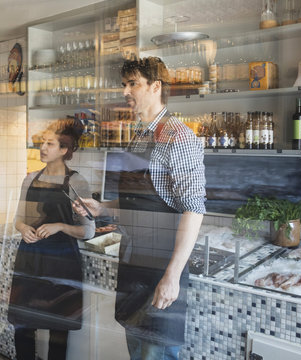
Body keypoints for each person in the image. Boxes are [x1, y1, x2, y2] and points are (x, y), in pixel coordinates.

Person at [74, 57, 206, 360]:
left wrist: (171, 277)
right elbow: (137, 203)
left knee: (155, 353)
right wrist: (101, 208)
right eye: (124, 84)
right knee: (135, 350)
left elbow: (194, 210)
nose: (125, 91)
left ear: (155, 86)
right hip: (133, 263)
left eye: (133, 83)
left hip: (161, 266)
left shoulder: (179, 137)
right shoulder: (139, 135)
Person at [11, 119, 95, 360]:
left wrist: (59, 226)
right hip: (30, 260)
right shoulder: (29, 179)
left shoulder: (76, 182)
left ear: (64, 150)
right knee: (23, 328)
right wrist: (23, 228)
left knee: (59, 330)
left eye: (50, 143)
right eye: (42, 143)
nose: (43, 148)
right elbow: (18, 218)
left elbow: (88, 230)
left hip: (61, 264)